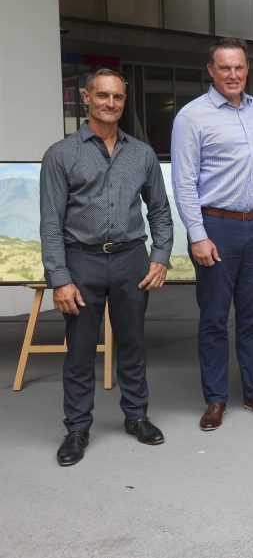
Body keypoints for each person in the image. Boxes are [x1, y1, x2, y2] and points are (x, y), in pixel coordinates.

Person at [40, 68, 172, 466]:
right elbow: (50, 223)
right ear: (86, 98)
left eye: (117, 97)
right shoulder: (61, 154)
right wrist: (60, 279)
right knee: (80, 350)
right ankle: (77, 428)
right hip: (82, 260)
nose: (110, 103)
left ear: (123, 101)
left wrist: (160, 257)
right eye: (102, 96)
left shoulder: (142, 153)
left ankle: (137, 416)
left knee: (132, 344)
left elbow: (161, 213)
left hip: (132, 259)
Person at [171, 37, 253, 430]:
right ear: (211, 70)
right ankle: (216, 398)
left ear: (247, 70)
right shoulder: (191, 117)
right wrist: (197, 235)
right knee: (214, 318)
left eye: (239, 67)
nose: (232, 75)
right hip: (215, 226)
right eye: (225, 68)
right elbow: (183, 183)